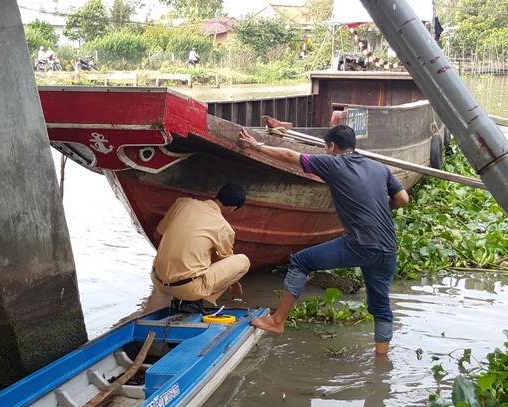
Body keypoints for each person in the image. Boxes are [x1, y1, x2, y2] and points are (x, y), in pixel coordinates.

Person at [238, 125, 409, 355]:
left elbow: (290, 156)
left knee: (300, 262)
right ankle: (381, 358)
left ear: (332, 146)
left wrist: (256, 145)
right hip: (387, 249)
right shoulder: (380, 167)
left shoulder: (333, 162)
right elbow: (403, 198)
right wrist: (377, 208)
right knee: (380, 306)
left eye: (326, 148)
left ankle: (278, 321)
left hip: (359, 244)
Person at [151, 184, 250, 314]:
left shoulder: (183, 203)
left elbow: (156, 234)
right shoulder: (224, 227)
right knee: (243, 261)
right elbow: (226, 261)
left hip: (157, 281)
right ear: (233, 208)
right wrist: (235, 285)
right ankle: (192, 301)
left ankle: (181, 298)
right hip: (187, 289)